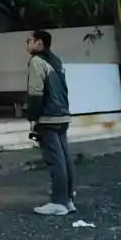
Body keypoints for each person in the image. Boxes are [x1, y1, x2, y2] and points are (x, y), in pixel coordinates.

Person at [26, 29, 76, 216]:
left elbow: (36, 92)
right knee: (65, 159)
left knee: (55, 160)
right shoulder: (56, 61)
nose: (27, 44)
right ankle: (68, 200)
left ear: (39, 43)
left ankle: (58, 202)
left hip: (48, 117)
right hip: (63, 115)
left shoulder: (36, 62)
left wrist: (33, 118)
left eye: (29, 40)